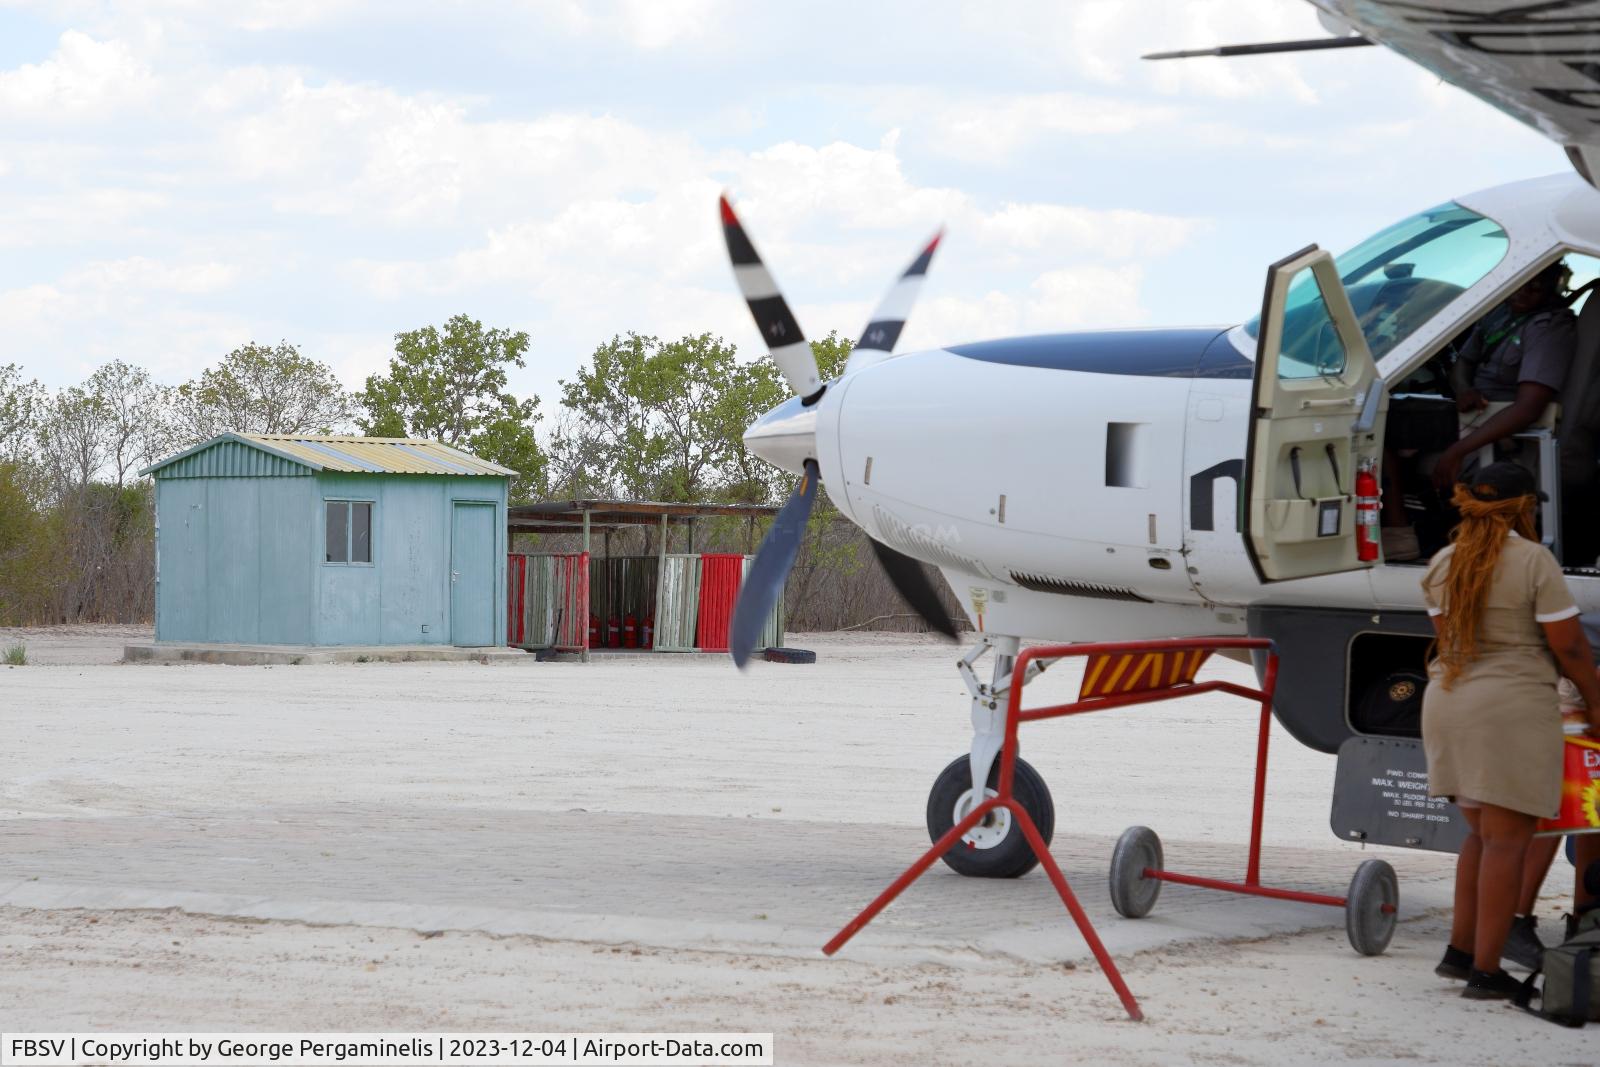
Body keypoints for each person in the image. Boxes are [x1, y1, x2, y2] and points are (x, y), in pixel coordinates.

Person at [1421, 462, 1600, 999]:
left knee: (1479, 835)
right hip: (1510, 708)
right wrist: (1596, 702)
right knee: (1507, 843)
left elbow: (1450, 637)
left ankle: (1459, 952)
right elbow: (1569, 647)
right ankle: (1486, 970)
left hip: (1447, 701)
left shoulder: (1443, 562)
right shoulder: (1532, 561)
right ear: (1524, 506)